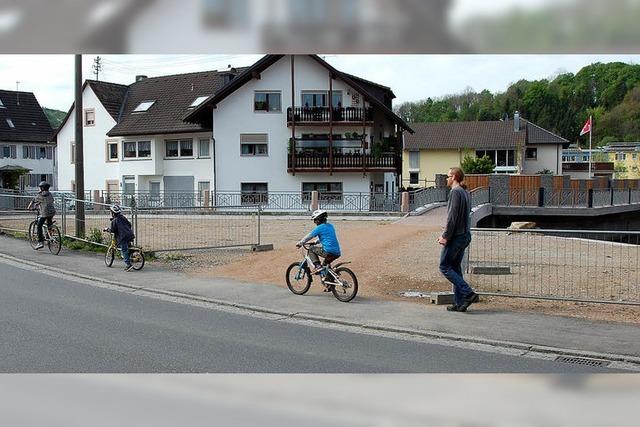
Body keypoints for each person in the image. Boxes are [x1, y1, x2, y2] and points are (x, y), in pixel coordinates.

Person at [438, 167, 479, 312]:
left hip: (456, 236)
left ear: (454, 177)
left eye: (448, 176)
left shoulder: (455, 192)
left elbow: (452, 218)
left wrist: (445, 236)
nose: (446, 179)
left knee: (444, 266)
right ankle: (460, 302)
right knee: (455, 267)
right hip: (465, 235)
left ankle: (468, 293)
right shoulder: (465, 192)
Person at [296, 209, 341, 286]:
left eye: (315, 220)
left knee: (311, 249)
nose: (315, 222)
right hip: (337, 252)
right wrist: (316, 241)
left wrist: (300, 243)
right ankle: (329, 284)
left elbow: (309, 236)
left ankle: (317, 266)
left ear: (318, 220)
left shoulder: (319, 228)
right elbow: (326, 237)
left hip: (328, 251)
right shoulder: (330, 226)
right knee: (325, 267)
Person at [103, 204, 136, 271]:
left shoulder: (114, 221)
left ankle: (128, 265)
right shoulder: (123, 217)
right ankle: (131, 256)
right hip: (130, 234)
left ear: (113, 213)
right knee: (128, 248)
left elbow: (112, 230)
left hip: (123, 237)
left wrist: (107, 229)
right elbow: (129, 224)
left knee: (124, 250)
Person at [27, 181, 56, 250]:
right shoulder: (50, 194)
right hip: (52, 212)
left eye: (40, 187)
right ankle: (49, 236)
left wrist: (29, 207)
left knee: (39, 225)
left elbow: (34, 200)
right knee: (49, 223)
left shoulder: (40, 195)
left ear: (42, 188)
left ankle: (40, 242)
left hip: (44, 212)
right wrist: (39, 203)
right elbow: (49, 201)